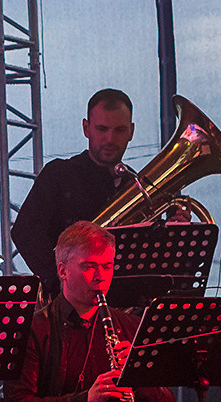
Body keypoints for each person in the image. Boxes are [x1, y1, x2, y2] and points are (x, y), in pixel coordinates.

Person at [1, 221, 173, 402]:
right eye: (89, 266)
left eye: (107, 266)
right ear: (62, 270)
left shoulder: (130, 326)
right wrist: (86, 401)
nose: (100, 277)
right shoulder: (34, 329)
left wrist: (137, 375)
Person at [11, 89, 138, 286]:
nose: (110, 139)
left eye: (119, 130)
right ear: (86, 128)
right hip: (69, 306)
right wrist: (61, 279)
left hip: (123, 304)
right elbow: (24, 231)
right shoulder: (59, 175)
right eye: (102, 129)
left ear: (131, 131)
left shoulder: (135, 184)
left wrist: (173, 231)